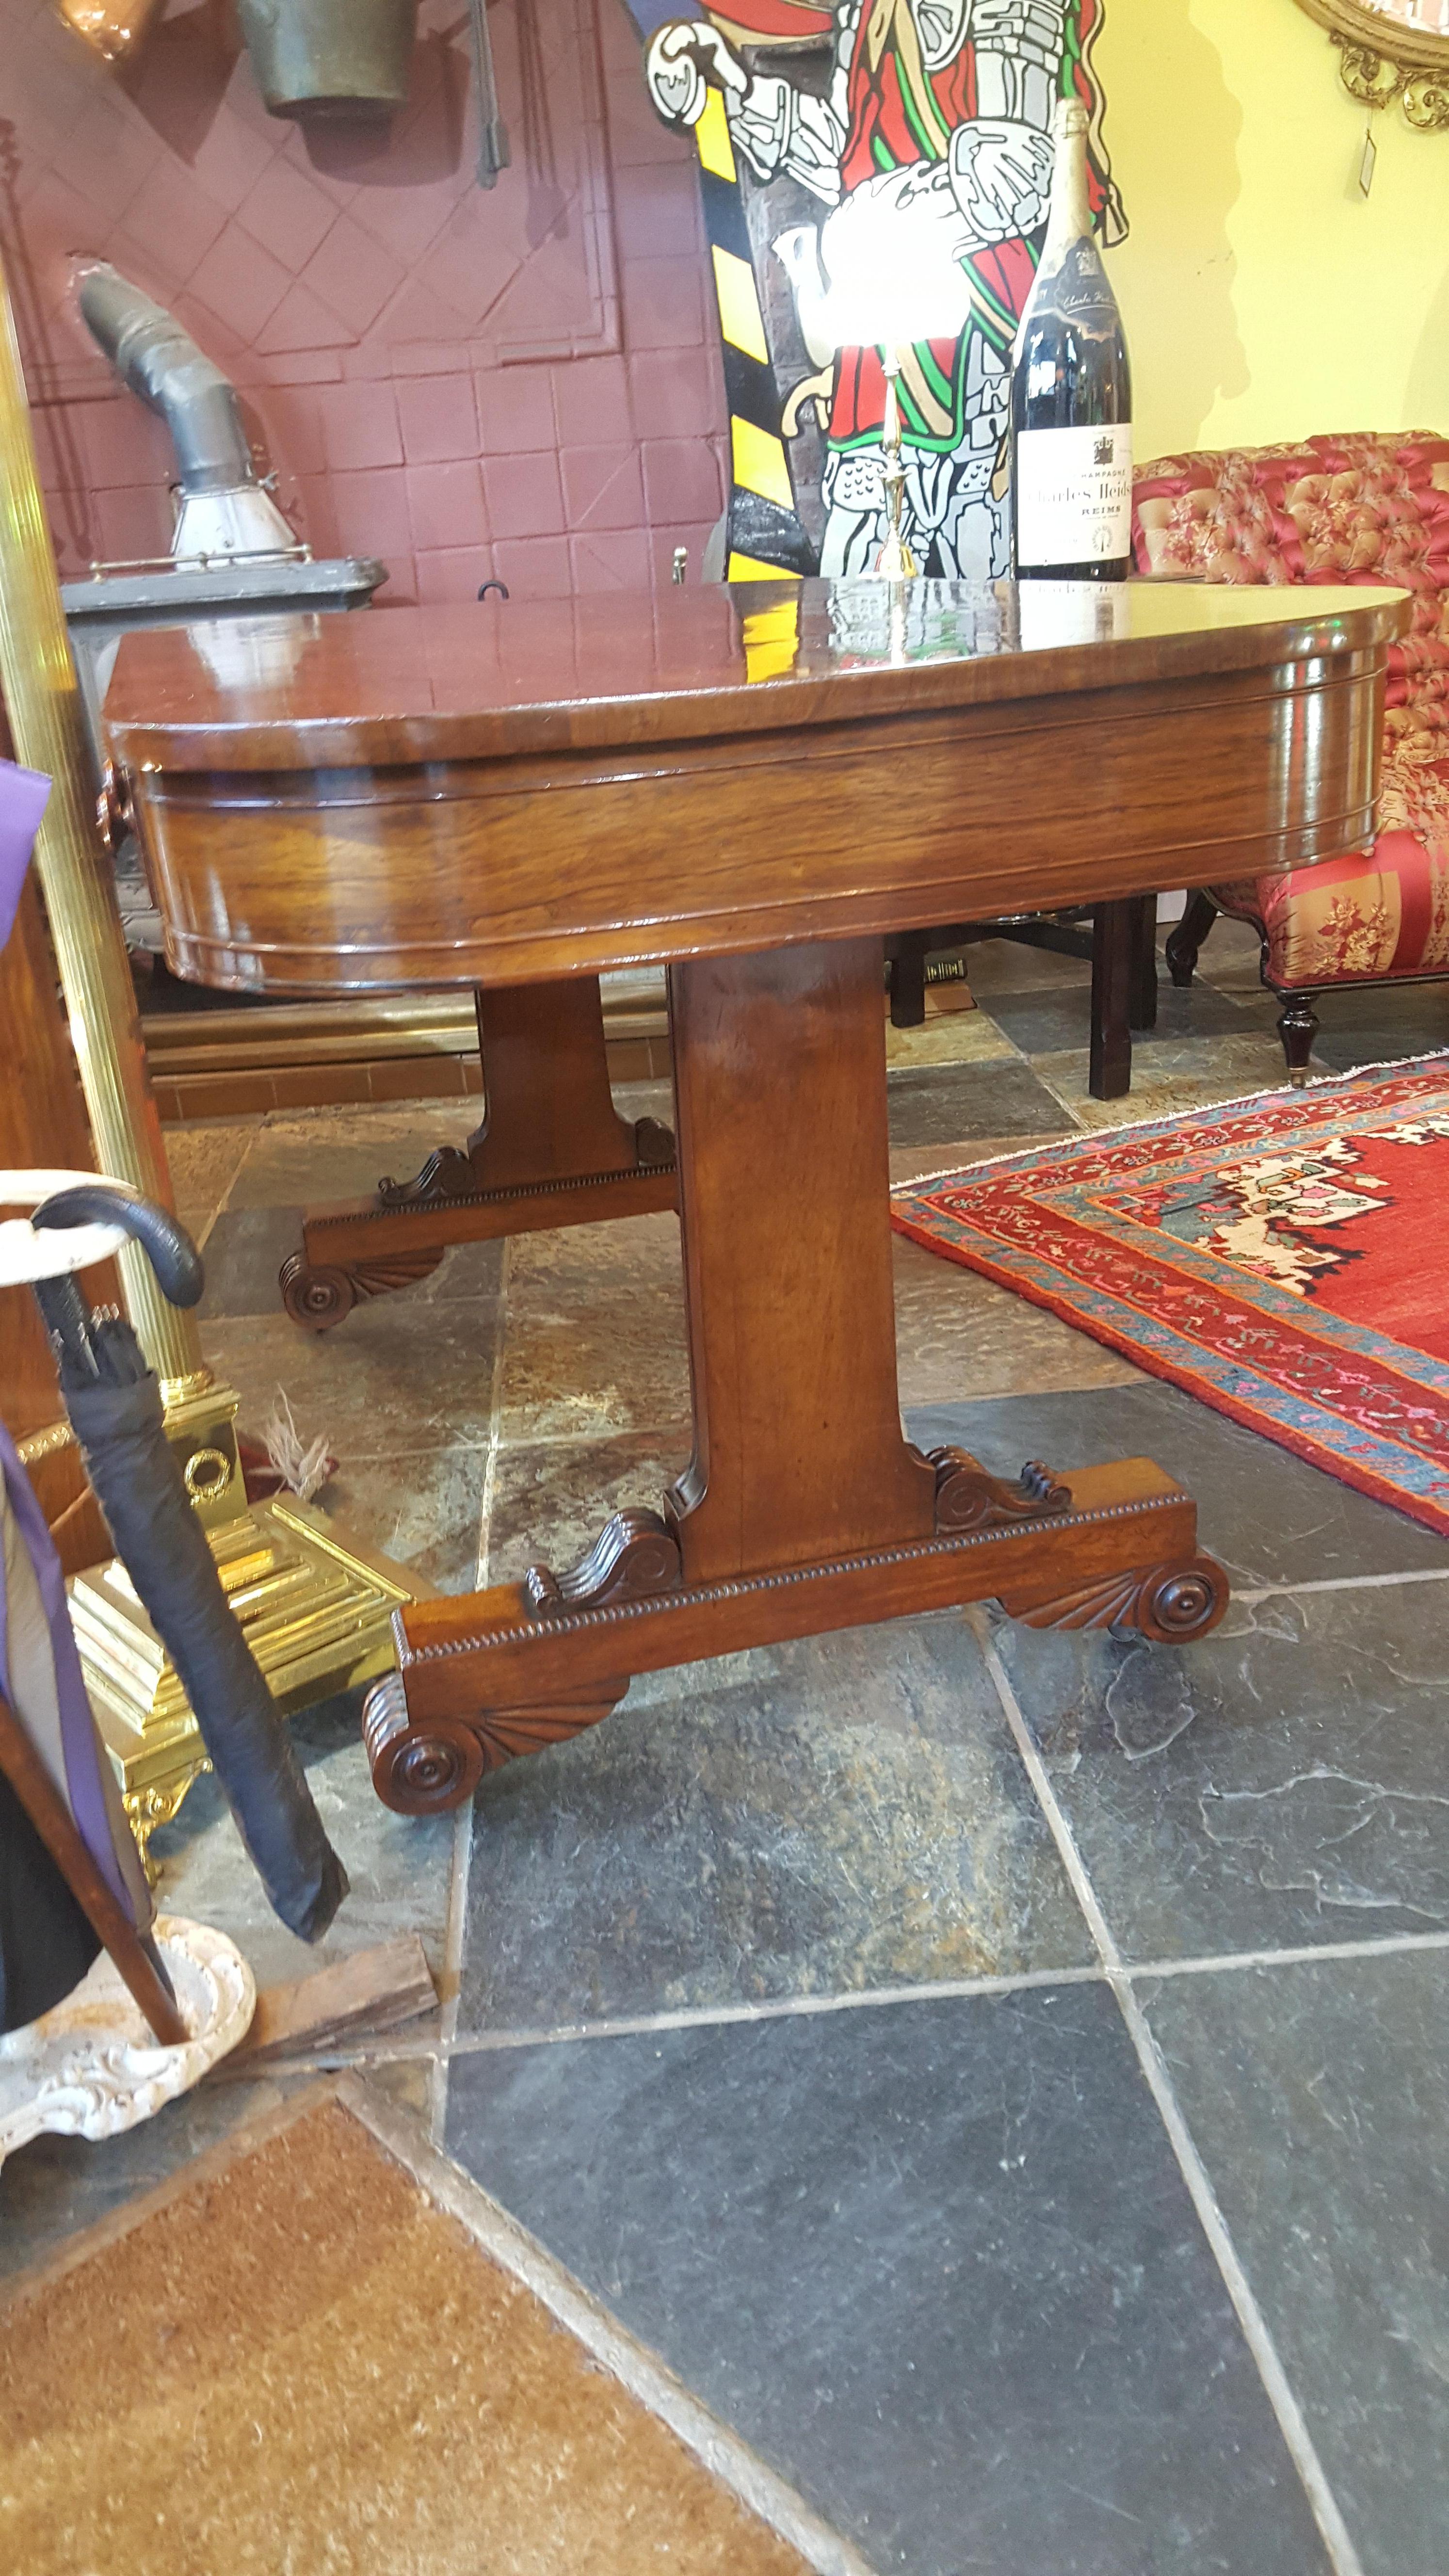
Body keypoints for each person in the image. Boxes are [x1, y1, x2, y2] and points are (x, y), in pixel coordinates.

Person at [646, 0, 1124, 577]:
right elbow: (840, 154)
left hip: (978, 366)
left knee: (991, 605)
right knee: (856, 603)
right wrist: (730, 90)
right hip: (872, 370)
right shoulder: (870, 13)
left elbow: (1015, 171)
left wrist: (870, 219)